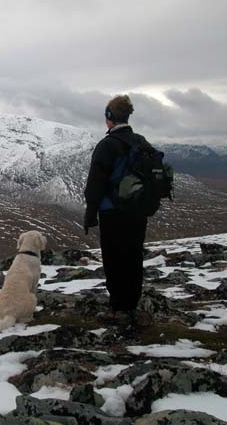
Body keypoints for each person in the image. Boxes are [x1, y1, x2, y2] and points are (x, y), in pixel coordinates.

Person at [83, 94, 155, 323]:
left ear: (109, 118)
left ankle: (117, 308)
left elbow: (96, 183)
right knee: (133, 256)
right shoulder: (141, 142)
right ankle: (130, 305)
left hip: (112, 212)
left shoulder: (107, 145)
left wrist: (90, 212)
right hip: (138, 211)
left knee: (114, 258)